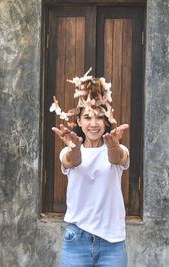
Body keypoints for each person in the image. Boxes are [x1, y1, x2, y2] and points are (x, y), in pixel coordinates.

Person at [52, 103, 130, 267]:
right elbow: (73, 161)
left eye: (99, 117)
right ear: (79, 121)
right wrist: (74, 147)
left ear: (107, 121)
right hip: (77, 240)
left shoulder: (119, 149)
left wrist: (113, 145)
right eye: (87, 117)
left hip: (112, 242)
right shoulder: (67, 152)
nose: (94, 124)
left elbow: (117, 158)